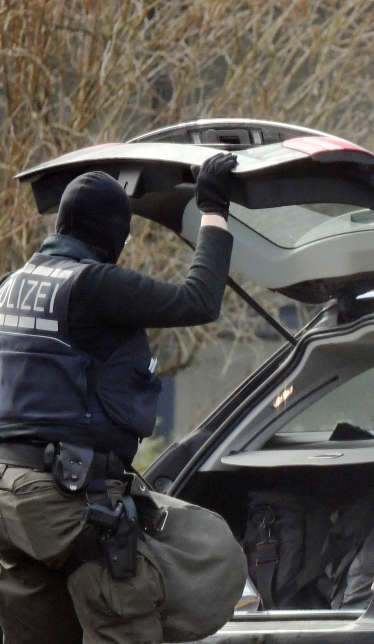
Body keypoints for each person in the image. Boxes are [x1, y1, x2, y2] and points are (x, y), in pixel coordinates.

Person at [0, 154, 248, 644]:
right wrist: (214, 210)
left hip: (10, 503)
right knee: (125, 617)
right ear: (111, 234)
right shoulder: (92, 284)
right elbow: (199, 299)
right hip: (65, 499)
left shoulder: (10, 287)